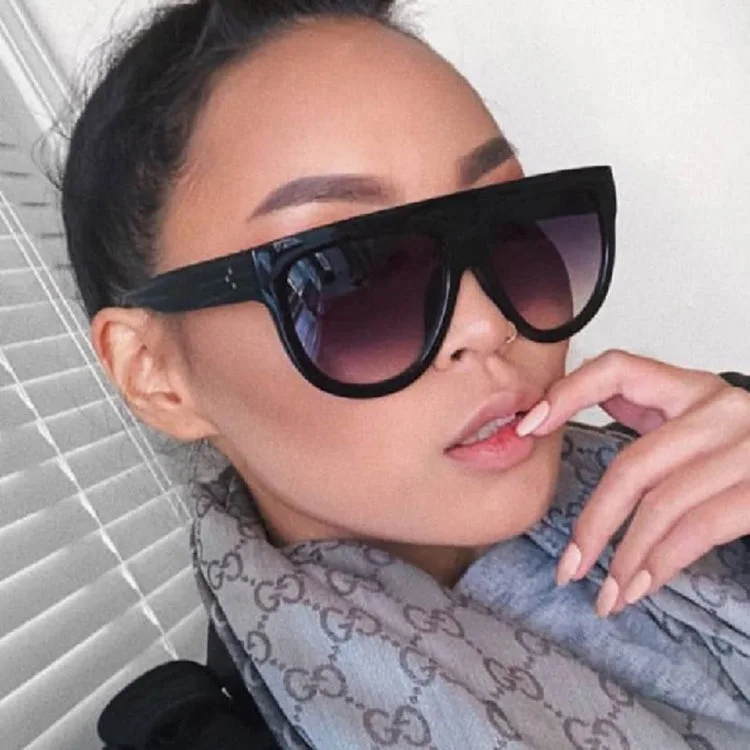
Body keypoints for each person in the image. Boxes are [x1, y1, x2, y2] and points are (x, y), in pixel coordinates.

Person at [60, 1, 750, 748]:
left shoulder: (706, 463)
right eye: (351, 272)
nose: (488, 323)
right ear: (157, 374)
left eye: (511, 224)